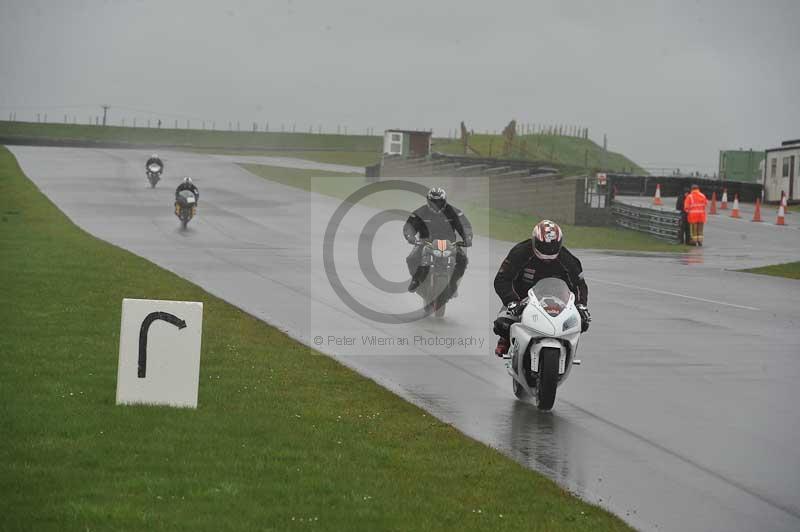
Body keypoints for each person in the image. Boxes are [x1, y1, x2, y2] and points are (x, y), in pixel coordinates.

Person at [492, 220, 590, 357]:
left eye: (552, 249)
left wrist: (581, 306)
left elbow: (580, 285)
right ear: (535, 241)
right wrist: (512, 301)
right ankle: (506, 340)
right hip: (522, 300)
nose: (548, 255)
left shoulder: (569, 260)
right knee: (502, 324)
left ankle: (568, 348)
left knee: (582, 322)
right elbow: (502, 279)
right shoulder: (520, 252)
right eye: (543, 248)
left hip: (557, 302)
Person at [403, 187, 472, 301]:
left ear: (444, 201)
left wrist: (467, 238)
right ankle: (416, 279)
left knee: (463, 259)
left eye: (439, 201)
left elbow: (465, 226)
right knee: (411, 258)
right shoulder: (420, 212)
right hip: (425, 243)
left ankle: (453, 283)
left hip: (450, 244)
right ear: (428, 201)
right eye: (433, 202)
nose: (436, 204)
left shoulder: (454, 212)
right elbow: (409, 226)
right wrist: (410, 237)